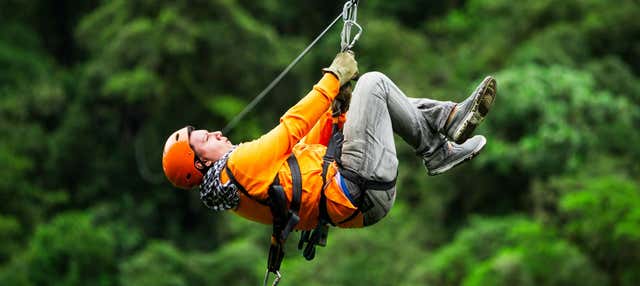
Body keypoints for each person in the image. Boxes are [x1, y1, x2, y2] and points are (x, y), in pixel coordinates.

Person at [162, 51, 496, 229]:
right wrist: (333, 79)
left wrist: (334, 112)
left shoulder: (235, 188)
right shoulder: (237, 166)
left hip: (357, 193)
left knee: (371, 99)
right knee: (373, 84)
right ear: (201, 162)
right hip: (357, 186)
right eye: (206, 138)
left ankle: (450, 119)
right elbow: (291, 127)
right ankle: (437, 148)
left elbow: (303, 149)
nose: (217, 134)